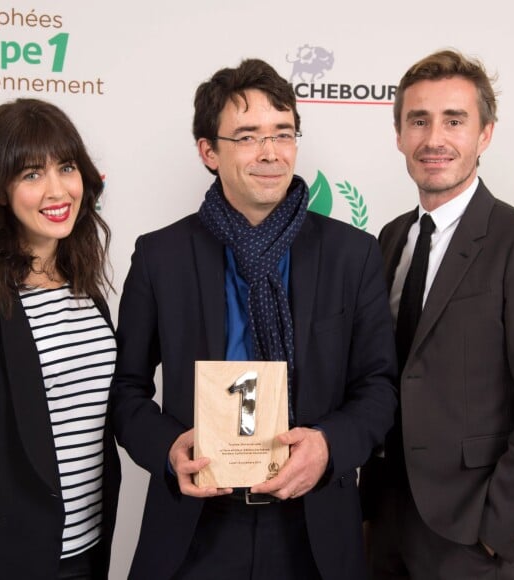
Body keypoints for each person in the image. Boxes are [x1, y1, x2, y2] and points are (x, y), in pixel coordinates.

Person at [111, 58, 398, 580]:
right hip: (195, 526)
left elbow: (378, 387)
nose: (270, 152)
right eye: (247, 136)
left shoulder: (351, 254)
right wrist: (169, 449)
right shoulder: (160, 256)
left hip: (314, 532)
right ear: (208, 151)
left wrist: (328, 446)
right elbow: (126, 389)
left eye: (283, 134)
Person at [360, 49, 514, 579]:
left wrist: (497, 530)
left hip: (470, 537)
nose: (434, 139)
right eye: (418, 120)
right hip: (381, 522)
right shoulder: (389, 239)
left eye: (455, 120)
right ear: (399, 133)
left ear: (485, 135)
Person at [0, 98, 121, 579]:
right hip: (9, 555)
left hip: (88, 546)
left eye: (66, 167)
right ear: (0, 189)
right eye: (30, 174)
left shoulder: (85, 289)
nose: (57, 190)